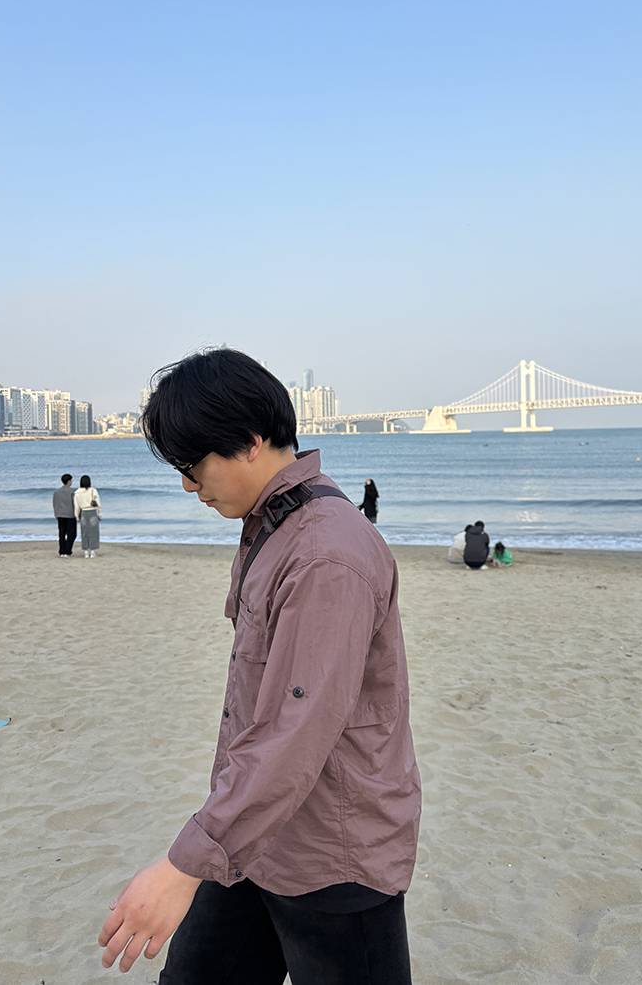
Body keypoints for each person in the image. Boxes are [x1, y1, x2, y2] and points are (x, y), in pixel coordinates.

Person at [98, 348, 420, 984]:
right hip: (251, 839)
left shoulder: (325, 554)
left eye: (192, 467)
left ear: (248, 443)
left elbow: (294, 731)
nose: (188, 486)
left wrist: (181, 866)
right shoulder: (274, 524)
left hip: (333, 857)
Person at [74, 474, 101, 557]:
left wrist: (77, 516)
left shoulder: (77, 492)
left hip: (84, 512)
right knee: (94, 532)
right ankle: (92, 551)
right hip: (92, 511)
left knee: (84, 532)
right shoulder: (93, 490)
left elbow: (76, 506)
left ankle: (85, 551)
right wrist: (99, 514)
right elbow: (98, 504)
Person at [52, 473, 77, 557]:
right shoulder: (72, 492)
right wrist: (77, 514)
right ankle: (68, 551)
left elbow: (55, 504)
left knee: (62, 534)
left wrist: (56, 514)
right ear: (69, 481)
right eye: (71, 480)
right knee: (72, 534)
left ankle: (62, 551)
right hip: (70, 515)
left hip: (60, 515)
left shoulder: (56, 492)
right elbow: (75, 504)